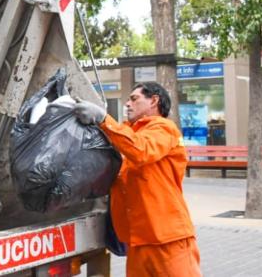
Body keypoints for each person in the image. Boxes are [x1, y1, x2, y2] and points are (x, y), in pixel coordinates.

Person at [74, 82, 201, 277]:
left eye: (134, 99)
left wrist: (103, 119)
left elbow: (141, 150)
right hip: (138, 241)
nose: (127, 104)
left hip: (167, 239)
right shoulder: (128, 134)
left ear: (154, 101)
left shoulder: (164, 128)